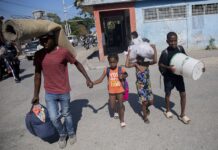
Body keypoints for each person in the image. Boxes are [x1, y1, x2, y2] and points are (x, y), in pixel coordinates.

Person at [31, 32, 93, 149]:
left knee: (67, 114)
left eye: (46, 39)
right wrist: (36, 95)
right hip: (49, 92)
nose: (43, 42)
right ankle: (62, 134)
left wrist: (88, 78)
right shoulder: (39, 54)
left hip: (64, 91)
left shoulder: (63, 52)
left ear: (53, 39)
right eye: (41, 40)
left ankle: (71, 133)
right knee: (54, 117)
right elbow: (37, 75)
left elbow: (77, 63)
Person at [158, 31, 195, 124]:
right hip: (169, 77)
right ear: (167, 41)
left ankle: (182, 115)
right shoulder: (165, 52)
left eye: (175, 41)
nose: (173, 43)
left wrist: (197, 67)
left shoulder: (180, 48)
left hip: (178, 77)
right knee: (168, 94)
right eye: (171, 41)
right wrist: (168, 68)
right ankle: (167, 110)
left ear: (177, 40)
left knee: (183, 94)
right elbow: (160, 64)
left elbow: (186, 59)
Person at [92, 53, 128, 128]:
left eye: (114, 62)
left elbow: (126, 74)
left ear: (117, 61)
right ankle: (116, 110)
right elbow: (100, 79)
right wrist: (93, 83)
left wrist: (123, 76)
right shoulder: (107, 70)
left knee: (120, 106)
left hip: (120, 90)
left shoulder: (120, 69)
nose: (112, 64)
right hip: (111, 91)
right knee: (112, 106)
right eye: (110, 62)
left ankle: (122, 120)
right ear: (108, 62)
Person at [125, 43, 157, 123]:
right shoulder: (135, 65)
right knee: (144, 102)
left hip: (148, 86)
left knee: (151, 102)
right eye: (138, 58)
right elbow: (126, 65)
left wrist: (154, 49)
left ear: (143, 58)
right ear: (136, 59)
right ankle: (145, 117)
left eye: (141, 58)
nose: (140, 60)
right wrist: (128, 54)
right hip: (140, 87)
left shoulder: (146, 64)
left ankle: (145, 108)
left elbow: (155, 61)